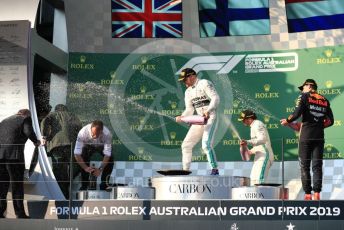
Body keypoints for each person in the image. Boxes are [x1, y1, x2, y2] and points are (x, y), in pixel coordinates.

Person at [281, 79, 334, 200]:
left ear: (309, 86)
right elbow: (331, 121)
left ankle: (308, 194)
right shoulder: (325, 100)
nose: (302, 89)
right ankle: (317, 194)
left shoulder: (304, 96)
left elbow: (296, 114)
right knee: (317, 166)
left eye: (303, 87)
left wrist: (287, 121)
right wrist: (319, 126)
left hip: (306, 136)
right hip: (319, 136)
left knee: (304, 166)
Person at [175, 68, 220, 175]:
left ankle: (215, 170)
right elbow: (189, 110)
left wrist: (208, 111)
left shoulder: (204, 83)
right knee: (186, 145)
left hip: (210, 117)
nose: (183, 82)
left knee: (206, 144)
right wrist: (182, 117)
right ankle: (185, 171)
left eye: (185, 80)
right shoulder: (188, 91)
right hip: (199, 119)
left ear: (192, 76)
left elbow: (216, 98)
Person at [0, 109, 43, 218]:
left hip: (0, 157)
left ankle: (0, 212)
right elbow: (28, 131)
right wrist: (36, 141)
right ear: (27, 114)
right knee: (17, 185)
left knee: (2, 186)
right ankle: (20, 213)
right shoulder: (25, 118)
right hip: (14, 157)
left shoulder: (4, 121)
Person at [41, 104, 82, 199]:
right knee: (74, 166)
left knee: (59, 170)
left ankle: (62, 194)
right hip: (71, 145)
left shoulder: (52, 114)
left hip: (56, 146)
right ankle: (68, 182)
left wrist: (44, 136)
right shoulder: (72, 115)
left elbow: (44, 121)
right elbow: (79, 128)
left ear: (56, 109)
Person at [74, 120, 114, 190]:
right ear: (90, 129)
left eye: (97, 134)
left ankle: (104, 185)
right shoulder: (82, 132)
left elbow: (107, 154)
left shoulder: (107, 134)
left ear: (101, 132)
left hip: (101, 146)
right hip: (88, 145)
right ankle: (84, 185)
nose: (94, 136)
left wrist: (100, 169)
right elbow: (77, 153)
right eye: (93, 134)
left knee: (110, 159)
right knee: (83, 156)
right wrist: (85, 167)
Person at [238, 110, 274, 185]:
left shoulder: (257, 124)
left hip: (265, 155)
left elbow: (263, 139)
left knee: (259, 181)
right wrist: (250, 151)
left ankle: (261, 196)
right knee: (253, 181)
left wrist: (247, 142)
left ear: (249, 118)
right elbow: (259, 144)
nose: (242, 122)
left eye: (243, 120)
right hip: (259, 156)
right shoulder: (253, 126)